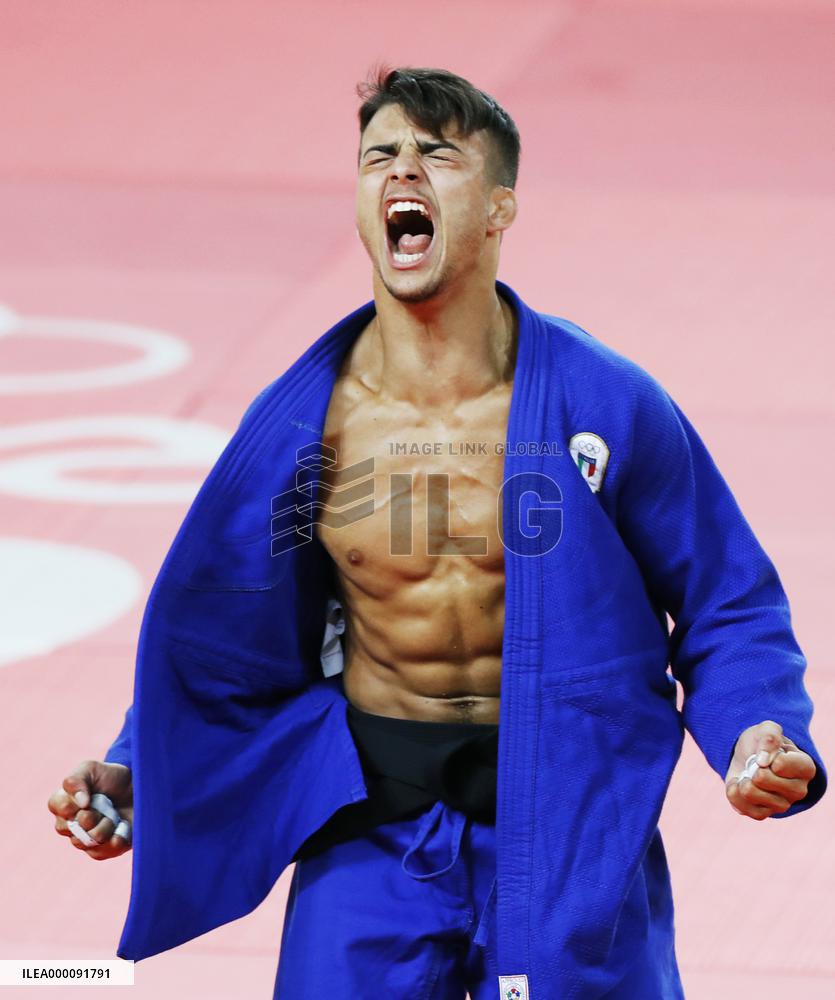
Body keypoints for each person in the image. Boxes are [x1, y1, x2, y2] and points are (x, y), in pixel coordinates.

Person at [48, 67, 827, 999]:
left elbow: (724, 599)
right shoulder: (305, 430)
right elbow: (223, 633)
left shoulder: (605, 403)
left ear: (500, 207)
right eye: (379, 155)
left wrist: (754, 727)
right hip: (370, 818)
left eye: (436, 155)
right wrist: (138, 762)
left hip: (567, 818)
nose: (401, 171)